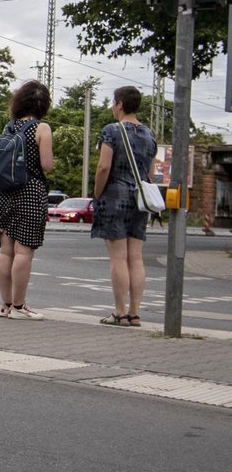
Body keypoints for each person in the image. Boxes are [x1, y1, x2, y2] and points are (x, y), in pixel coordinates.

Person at [91, 85, 157, 327]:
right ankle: (135, 312)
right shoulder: (149, 134)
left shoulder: (112, 131)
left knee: (118, 258)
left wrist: (98, 193)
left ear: (119, 104)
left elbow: (103, 167)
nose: (112, 106)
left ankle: (119, 311)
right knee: (135, 258)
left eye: (113, 102)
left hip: (115, 196)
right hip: (140, 201)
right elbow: (150, 173)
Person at [0, 80, 54, 320]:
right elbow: (46, 165)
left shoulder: (10, 127)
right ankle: (19, 306)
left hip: (5, 193)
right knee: (24, 252)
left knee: (6, 252)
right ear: (43, 105)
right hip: (30, 192)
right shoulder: (41, 128)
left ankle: (5, 305)